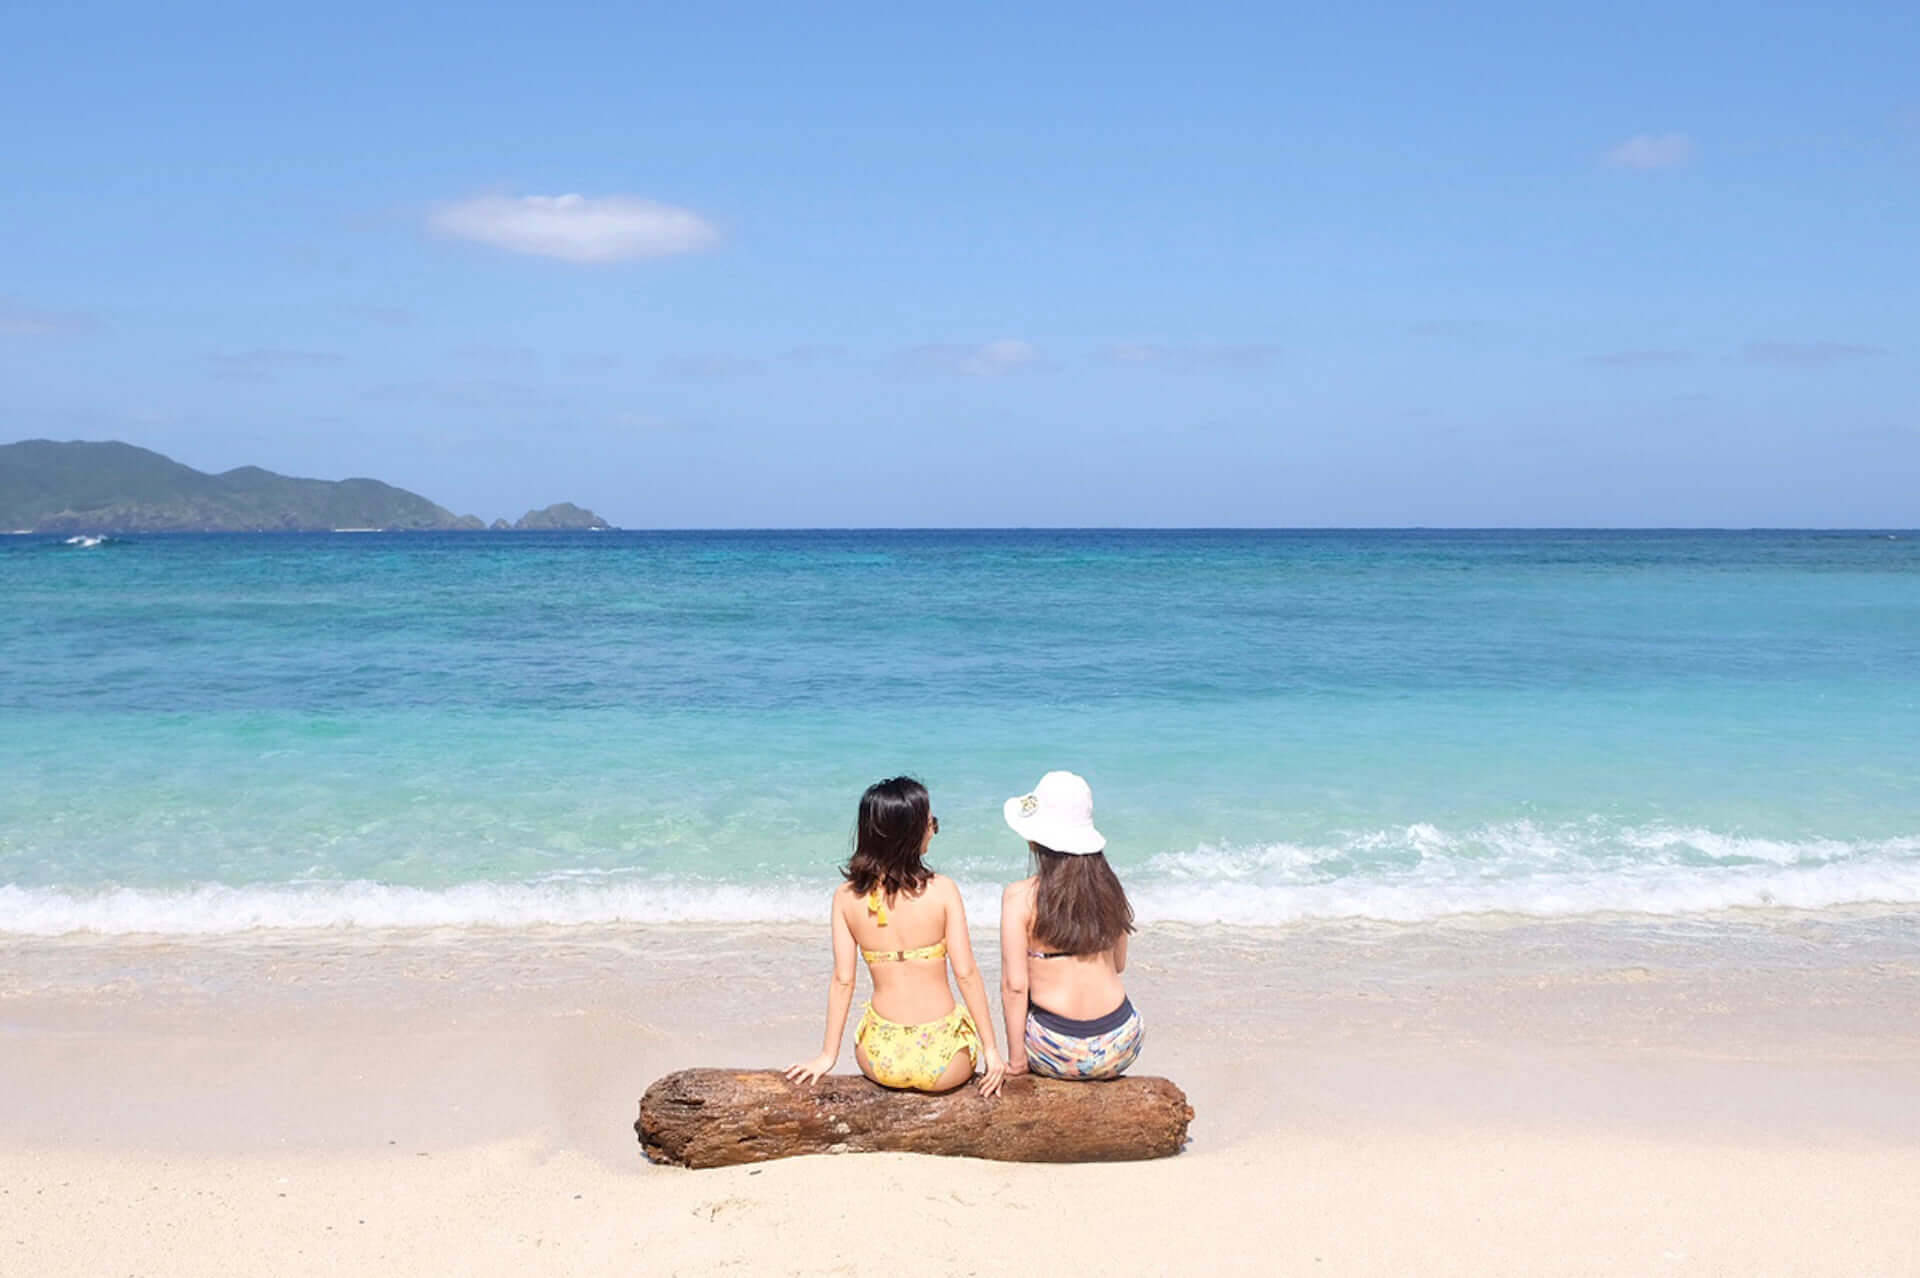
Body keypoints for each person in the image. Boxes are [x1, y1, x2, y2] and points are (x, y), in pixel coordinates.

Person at [787, 776, 1006, 1096]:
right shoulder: (943, 891)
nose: (933, 829)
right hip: (945, 1058)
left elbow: (843, 980)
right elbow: (966, 972)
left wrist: (827, 1056)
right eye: (931, 822)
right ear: (912, 833)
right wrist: (991, 1051)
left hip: (880, 1057)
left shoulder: (846, 897)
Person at [998, 770, 1143, 1080]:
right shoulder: (1110, 887)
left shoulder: (1019, 897)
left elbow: (1015, 986)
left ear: (1035, 838)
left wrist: (1017, 1061)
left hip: (1057, 1049)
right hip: (1122, 1041)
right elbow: (1118, 964)